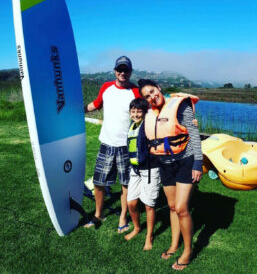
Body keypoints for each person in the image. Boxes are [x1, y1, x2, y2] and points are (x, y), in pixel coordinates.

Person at [138, 79, 203, 271]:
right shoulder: (149, 113)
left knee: (182, 208)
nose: (152, 97)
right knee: (173, 207)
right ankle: (175, 244)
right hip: (164, 164)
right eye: (147, 96)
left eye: (153, 91)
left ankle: (188, 251)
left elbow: (194, 133)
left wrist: (198, 163)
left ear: (159, 88)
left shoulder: (179, 105)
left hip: (185, 161)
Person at [84, 56, 141, 232]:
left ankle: (123, 218)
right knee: (99, 182)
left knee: (125, 184)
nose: (122, 73)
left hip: (127, 147)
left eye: (126, 70)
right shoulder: (106, 87)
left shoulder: (136, 91)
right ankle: (98, 214)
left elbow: (147, 110)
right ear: (115, 71)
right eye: (119, 69)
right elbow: (96, 104)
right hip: (107, 144)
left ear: (130, 72)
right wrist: (76, 110)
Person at [125, 98, 161, 251]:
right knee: (131, 203)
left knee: (148, 206)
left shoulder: (149, 125)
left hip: (150, 169)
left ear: (145, 112)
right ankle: (137, 227)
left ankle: (149, 236)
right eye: (133, 111)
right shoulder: (132, 126)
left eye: (139, 111)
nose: (136, 114)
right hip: (135, 170)